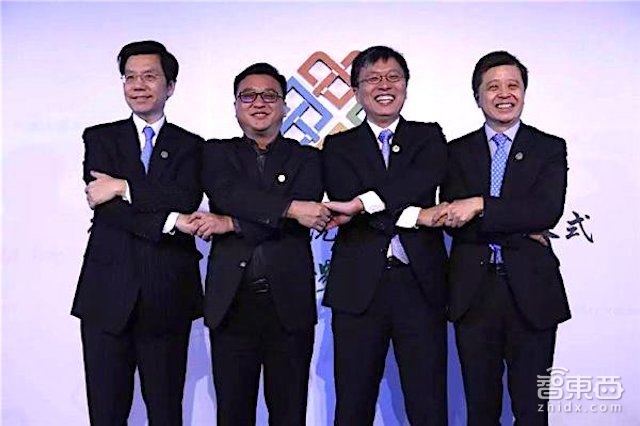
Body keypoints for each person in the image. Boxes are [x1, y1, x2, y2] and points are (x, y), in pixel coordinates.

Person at [72, 40, 204, 426]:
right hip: (106, 296)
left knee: (165, 411)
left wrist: (124, 187)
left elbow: (185, 196)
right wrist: (170, 221)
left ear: (170, 86)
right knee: (106, 413)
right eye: (130, 77)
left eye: (149, 76)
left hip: (167, 295)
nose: (138, 85)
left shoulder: (192, 146)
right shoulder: (100, 138)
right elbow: (107, 208)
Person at [194, 62, 329, 426]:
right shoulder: (215, 153)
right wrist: (289, 209)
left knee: (289, 414)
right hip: (232, 303)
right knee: (232, 414)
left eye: (269, 95)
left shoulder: (308, 158)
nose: (259, 103)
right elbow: (229, 194)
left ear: (284, 105)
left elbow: (305, 208)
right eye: (248, 95)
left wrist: (231, 223)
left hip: (288, 304)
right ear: (235, 105)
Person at [441, 50, 571, 425]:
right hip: (474, 293)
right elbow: (454, 220)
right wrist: (520, 225)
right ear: (477, 96)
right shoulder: (456, 151)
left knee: (532, 410)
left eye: (513, 85)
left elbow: (546, 211)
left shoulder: (549, 148)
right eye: (493, 86)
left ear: (524, 92)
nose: (504, 94)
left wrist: (480, 204)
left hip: (532, 293)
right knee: (480, 410)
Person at [322, 45, 449, 425]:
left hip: (419, 285)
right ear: (356, 91)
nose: (384, 86)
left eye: (393, 77)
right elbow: (344, 192)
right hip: (358, 288)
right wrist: (415, 215)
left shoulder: (429, 137)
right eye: (373, 79)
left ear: (406, 85)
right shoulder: (338, 146)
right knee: (353, 403)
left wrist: (364, 204)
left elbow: (422, 180)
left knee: (428, 402)